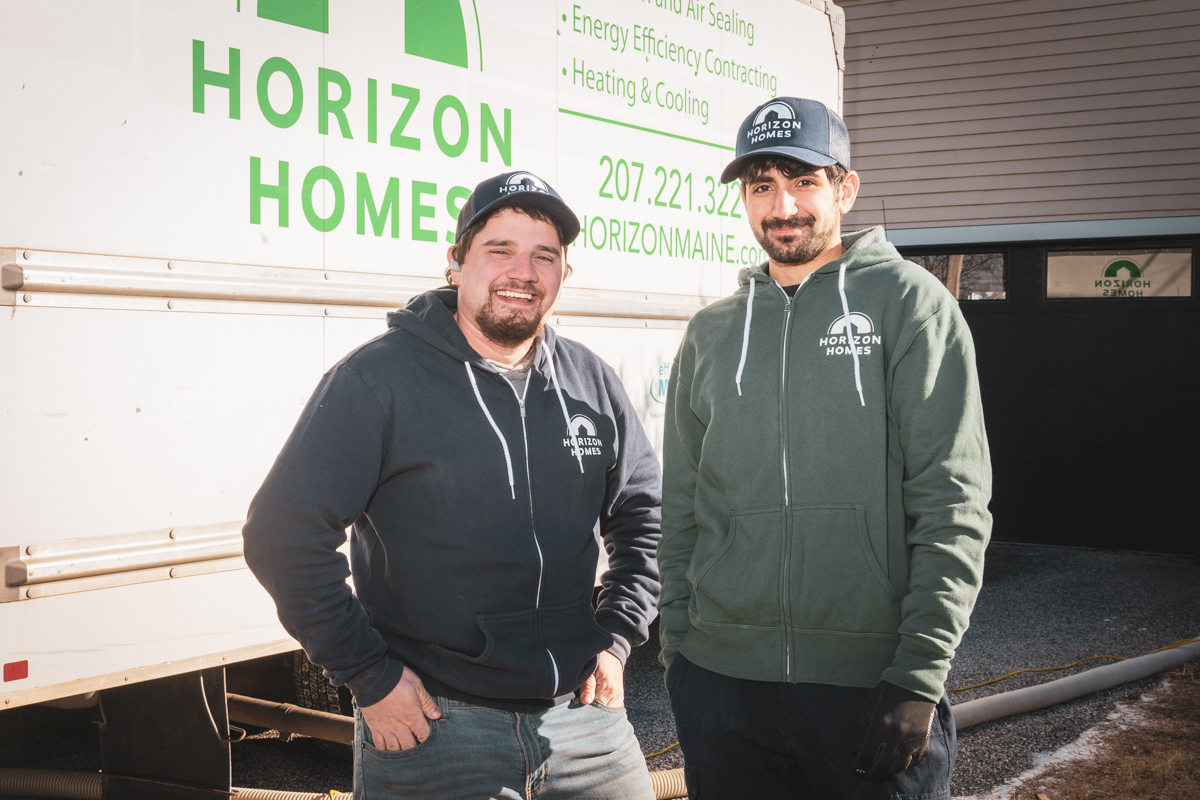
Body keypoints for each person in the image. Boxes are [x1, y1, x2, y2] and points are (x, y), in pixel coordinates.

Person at [243, 170, 661, 800]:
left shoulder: (589, 380)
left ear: (562, 276)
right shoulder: (378, 379)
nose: (523, 271)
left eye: (544, 256)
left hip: (586, 723)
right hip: (433, 727)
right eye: (500, 249)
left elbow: (645, 515)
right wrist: (369, 675)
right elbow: (282, 536)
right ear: (456, 263)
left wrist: (620, 635)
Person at [658, 96, 992, 799]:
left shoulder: (912, 304)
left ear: (845, 188)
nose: (782, 207)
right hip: (723, 687)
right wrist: (681, 653)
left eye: (804, 181)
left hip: (868, 685)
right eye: (761, 187)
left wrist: (917, 675)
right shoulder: (712, 332)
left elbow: (952, 501)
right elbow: (683, 504)